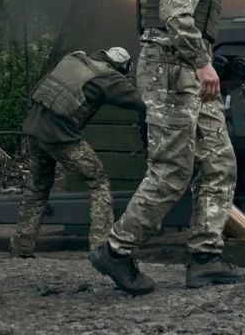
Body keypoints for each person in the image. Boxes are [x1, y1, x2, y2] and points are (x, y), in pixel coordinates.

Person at [89, 0, 245, 295]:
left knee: (219, 161)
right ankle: (117, 249)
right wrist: (201, 61)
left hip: (188, 71)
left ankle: (205, 258)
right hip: (173, 70)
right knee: (172, 170)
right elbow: (175, 14)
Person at [11, 47, 145, 258]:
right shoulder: (108, 77)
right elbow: (141, 101)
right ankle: (100, 249)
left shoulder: (74, 58)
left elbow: (39, 88)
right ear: (122, 67)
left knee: (36, 189)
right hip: (60, 137)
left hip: (34, 130)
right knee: (99, 183)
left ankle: (21, 248)